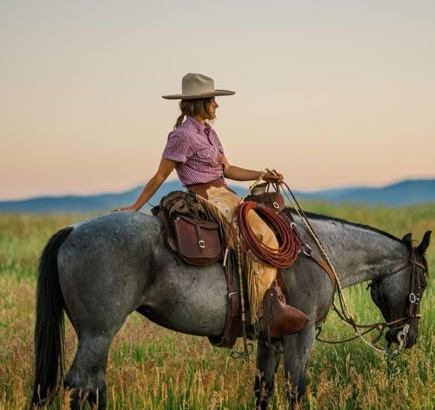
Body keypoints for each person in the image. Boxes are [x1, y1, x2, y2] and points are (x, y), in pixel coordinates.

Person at [117, 73, 306, 336]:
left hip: (224, 192)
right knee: (261, 236)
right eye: (213, 100)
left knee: (268, 226)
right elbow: (161, 175)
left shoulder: (211, 134)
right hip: (206, 196)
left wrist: (261, 175)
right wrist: (134, 207)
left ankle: (267, 299)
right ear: (200, 102)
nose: (217, 105)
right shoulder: (182, 135)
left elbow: (228, 169)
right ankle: (263, 313)